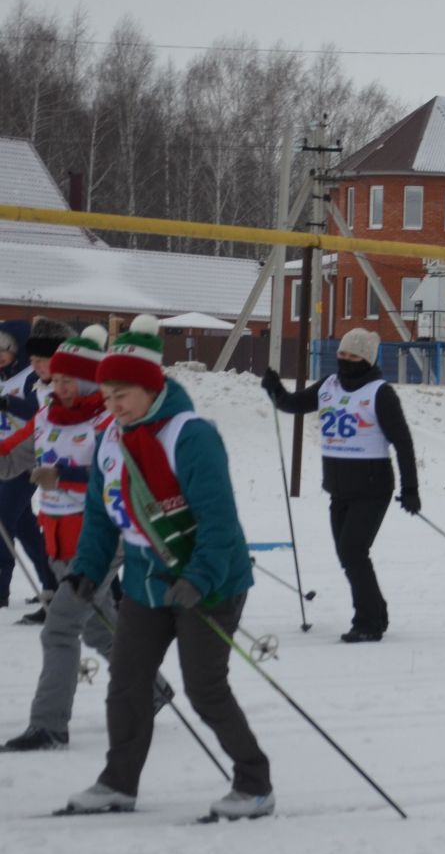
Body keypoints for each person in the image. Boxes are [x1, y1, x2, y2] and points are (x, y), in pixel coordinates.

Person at [60, 316, 274, 819]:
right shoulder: (111, 440)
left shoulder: (190, 435)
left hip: (211, 578)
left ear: (151, 388)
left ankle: (254, 784)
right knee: (128, 684)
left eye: (123, 396)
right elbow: (100, 512)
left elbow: (219, 521)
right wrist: (87, 567)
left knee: (204, 688)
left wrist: (198, 579)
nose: (113, 408)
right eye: (107, 397)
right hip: (145, 579)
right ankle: (118, 783)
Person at [0, 327, 173, 750]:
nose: (58, 386)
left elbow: (117, 476)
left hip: (97, 541)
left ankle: (49, 725)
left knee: (58, 630)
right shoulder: (47, 418)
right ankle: (152, 690)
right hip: (57, 540)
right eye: (55, 379)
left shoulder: (108, 423)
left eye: (68, 379)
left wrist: (65, 475)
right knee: (98, 629)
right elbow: (8, 461)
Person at [261, 328, 420, 643]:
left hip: (372, 488)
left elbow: (402, 442)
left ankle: (368, 622)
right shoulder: (329, 386)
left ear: (366, 359)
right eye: (343, 354)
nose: (345, 360)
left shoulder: (379, 392)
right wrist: (276, 389)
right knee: (348, 555)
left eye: (353, 356)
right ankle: (376, 611)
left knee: (353, 551)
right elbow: (294, 404)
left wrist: (410, 488)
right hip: (339, 488)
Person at [0, 316, 65, 614]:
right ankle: (51, 584)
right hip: (6, 458)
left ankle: (1, 587)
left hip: (27, 459)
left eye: (6, 348)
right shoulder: (6, 375)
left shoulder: (31, 376)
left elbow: (39, 412)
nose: (1, 354)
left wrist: (8, 404)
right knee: (25, 527)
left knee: (3, 521)